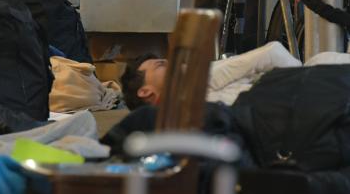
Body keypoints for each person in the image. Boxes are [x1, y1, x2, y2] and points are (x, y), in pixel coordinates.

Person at [120, 42, 304, 110]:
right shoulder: (195, 82)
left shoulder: (193, 91)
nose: (171, 64)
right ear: (145, 91)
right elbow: (272, 53)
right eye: (160, 65)